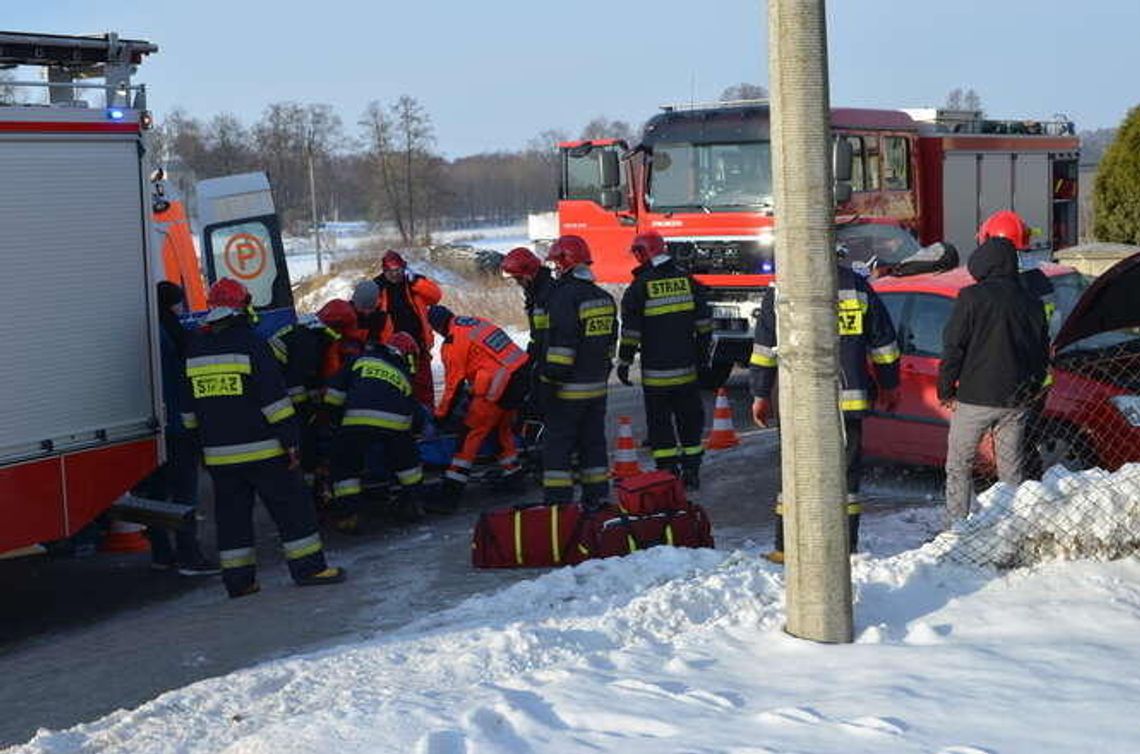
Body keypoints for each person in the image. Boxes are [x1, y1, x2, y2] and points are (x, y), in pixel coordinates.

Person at [181, 278, 346, 597]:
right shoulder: (252, 343)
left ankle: (239, 583)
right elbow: (274, 400)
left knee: (232, 520)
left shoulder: (195, 348)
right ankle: (310, 569)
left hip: (218, 455)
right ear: (243, 307)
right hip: (264, 451)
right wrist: (292, 442)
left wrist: (198, 448)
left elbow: (189, 411)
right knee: (293, 509)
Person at [750, 263, 901, 561]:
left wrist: (760, 394)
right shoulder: (856, 287)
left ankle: (785, 547)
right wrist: (889, 384)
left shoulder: (781, 289)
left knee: (795, 473)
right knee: (845, 477)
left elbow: (765, 350)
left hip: (798, 405)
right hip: (848, 402)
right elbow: (883, 343)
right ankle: (846, 546)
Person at [938, 235, 1050, 527]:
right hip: (1015, 400)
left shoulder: (971, 298)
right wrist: (1033, 389)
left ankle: (956, 526)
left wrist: (946, 389)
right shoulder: (1031, 302)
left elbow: (954, 347)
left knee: (959, 464)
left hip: (975, 398)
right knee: (1011, 469)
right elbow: (1041, 352)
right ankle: (1009, 526)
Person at [617, 231, 713, 490]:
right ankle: (692, 470)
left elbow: (631, 334)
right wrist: (702, 357)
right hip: (687, 370)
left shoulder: (639, 288)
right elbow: (704, 325)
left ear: (643, 253)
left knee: (660, 425)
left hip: (656, 374)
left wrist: (624, 362)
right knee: (690, 422)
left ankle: (668, 473)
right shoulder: (688, 282)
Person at [137, 281, 219, 576]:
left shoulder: (147, 330)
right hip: (178, 425)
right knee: (185, 493)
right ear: (172, 304)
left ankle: (162, 553)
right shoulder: (174, 334)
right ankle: (190, 556)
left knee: (157, 494)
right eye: (179, 303)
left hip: (154, 426)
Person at [540, 235, 618, 508]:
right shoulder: (604, 298)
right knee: (593, 446)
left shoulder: (564, 297)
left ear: (565, 262)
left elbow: (563, 345)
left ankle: (558, 504)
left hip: (567, 392)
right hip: (596, 390)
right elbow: (609, 347)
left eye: (556, 263)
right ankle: (596, 499)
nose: (555, 269)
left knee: (558, 448)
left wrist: (548, 381)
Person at [324, 332, 425, 532]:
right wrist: (412, 434)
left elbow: (334, 394)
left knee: (345, 465)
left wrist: (335, 422)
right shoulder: (402, 373)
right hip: (396, 426)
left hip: (356, 422)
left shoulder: (360, 360)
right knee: (407, 464)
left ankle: (349, 515)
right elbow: (416, 413)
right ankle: (413, 504)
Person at [428, 305, 530, 505]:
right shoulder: (473, 323)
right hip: (520, 375)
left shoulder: (453, 342)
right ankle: (514, 477)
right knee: (502, 430)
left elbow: (453, 387)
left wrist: (440, 417)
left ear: (437, 327)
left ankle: (451, 493)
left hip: (499, 384)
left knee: (470, 435)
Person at [266, 313, 341, 488]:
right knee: (304, 430)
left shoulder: (297, 335)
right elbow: (298, 380)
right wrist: (311, 403)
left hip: (275, 384)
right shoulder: (306, 342)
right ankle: (308, 477)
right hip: (284, 392)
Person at [371, 250, 443, 409]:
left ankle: (427, 417)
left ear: (404, 268)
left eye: (398, 270)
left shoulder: (413, 284)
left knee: (424, 386)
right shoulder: (377, 287)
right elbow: (365, 310)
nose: (395, 275)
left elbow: (436, 296)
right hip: (392, 348)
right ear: (384, 271)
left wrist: (416, 281)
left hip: (419, 344)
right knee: (396, 386)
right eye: (391, 271)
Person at [500, 246, 557, 415]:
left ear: (528, 274)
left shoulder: (547, 294)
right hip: (542, 354)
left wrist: (538, 363)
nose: (518, 283)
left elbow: (552, 335)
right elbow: (537, 336)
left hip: (551, 361)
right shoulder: (536, 293)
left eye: (518, 278)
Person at [351, 279, 385, 344]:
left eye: (370, 307)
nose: (367, 311)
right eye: (363, 307)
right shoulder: (343, 314)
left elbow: (386, 341)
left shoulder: (382, 319)